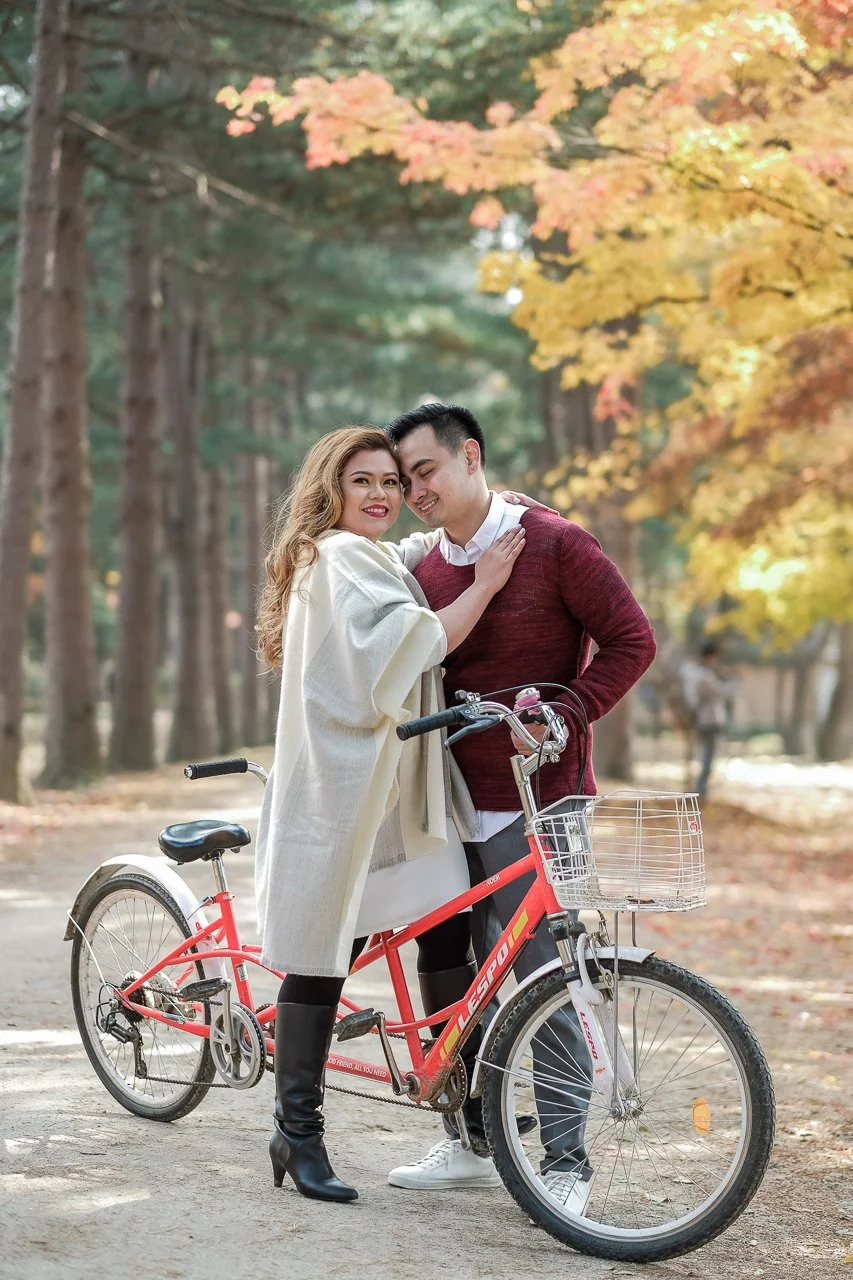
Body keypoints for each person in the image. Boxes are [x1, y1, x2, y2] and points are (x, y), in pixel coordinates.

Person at [384, 402, 657, 1210]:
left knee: (549, 977)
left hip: (539, 802)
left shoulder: (557, 543)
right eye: (404, 480)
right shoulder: (425, 567)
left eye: (426, 471)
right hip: (445, 802)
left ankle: (566, 1163)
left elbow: (632, 641)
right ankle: (465, 1139)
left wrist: (567, 711)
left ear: (469, 456)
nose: (415, 491)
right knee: (453, 972)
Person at [254, 426, 527, 1204]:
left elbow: (401, 566)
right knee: (323, 955)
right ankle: (297, 1132)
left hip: (387, 790)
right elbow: (416, 638)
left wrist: (477, 515)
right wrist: (486, 582)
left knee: (441, 929)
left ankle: (466, 1117)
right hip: (347, 795)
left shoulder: (351, 555)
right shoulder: (339, 557)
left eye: (389, 482)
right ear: (330, 492)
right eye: (362, 482)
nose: (379, 495)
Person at [680, 639, 732, 798]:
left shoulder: (693, 673)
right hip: (708, 719)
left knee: (703, 754)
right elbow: (718, 692)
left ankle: (699, 786)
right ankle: (700, 788)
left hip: (703, 719)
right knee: (707, 756)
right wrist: (734, 684)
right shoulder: (703, 676)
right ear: (711, 656)